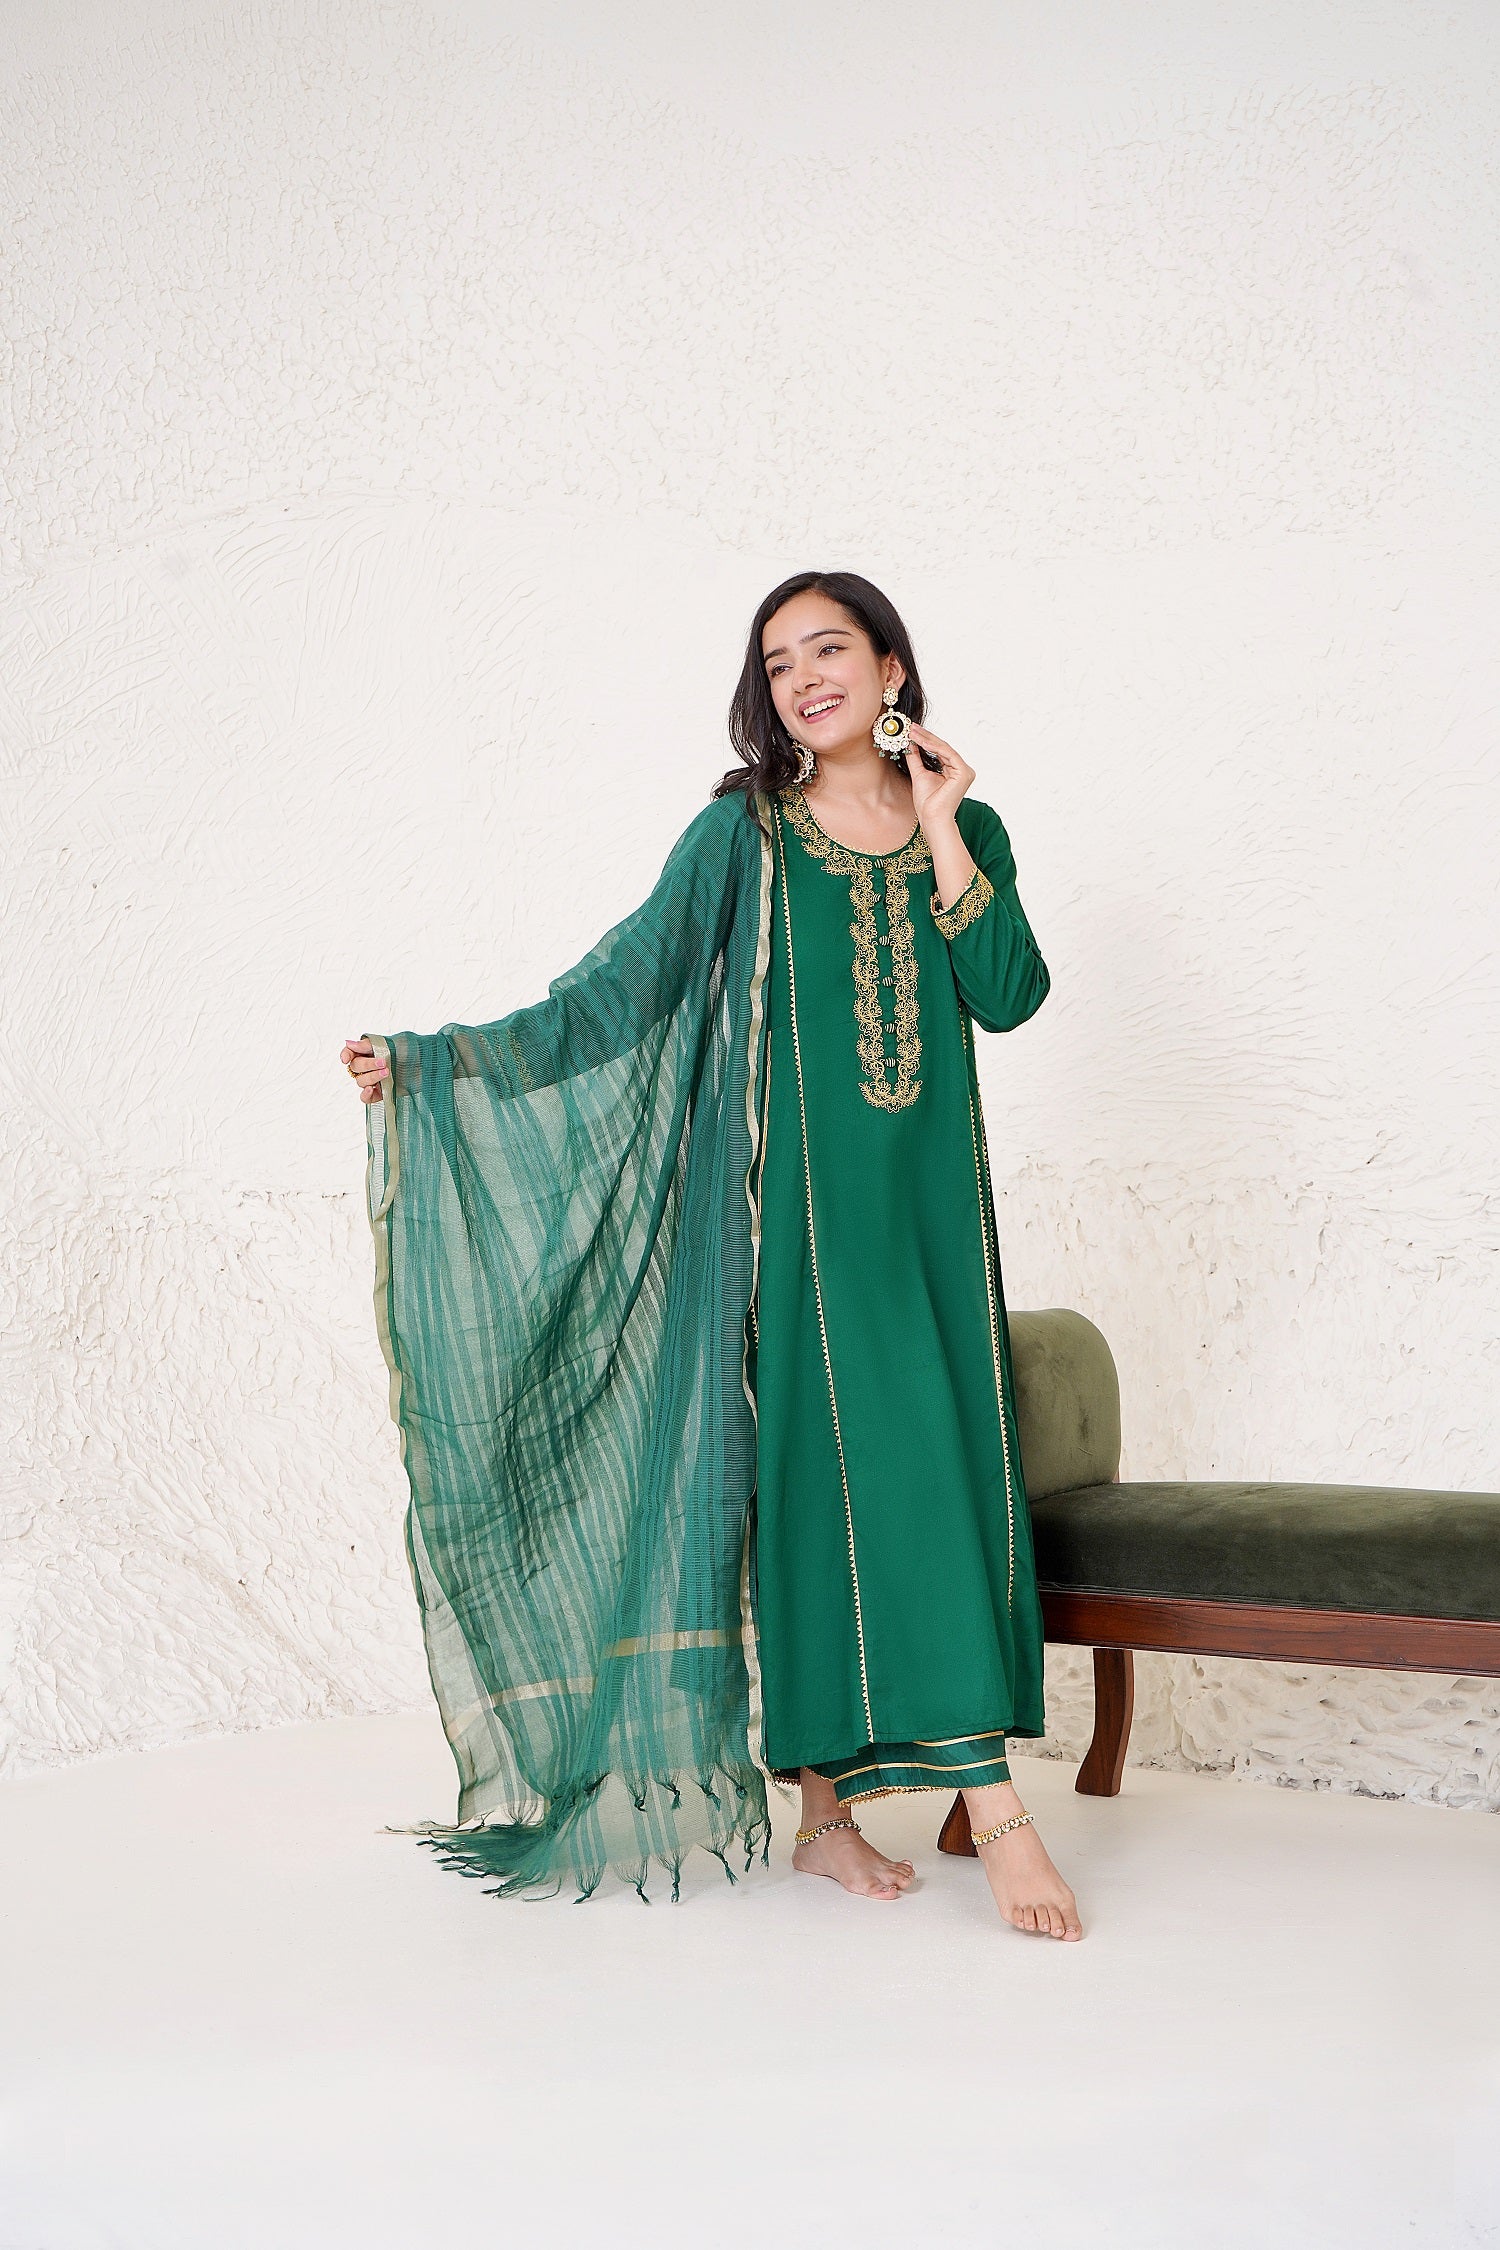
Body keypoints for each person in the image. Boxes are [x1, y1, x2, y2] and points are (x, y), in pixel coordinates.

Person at [342, 571, 1082, 1940]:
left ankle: (830, 1816)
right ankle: (990, 1807)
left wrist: (942, 826)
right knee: (853, 1479)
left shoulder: (966, 828)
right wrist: (444, 1065)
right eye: (779, 662)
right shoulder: (746, 833)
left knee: (913, 1476)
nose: (805, 679)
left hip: (932, 1220)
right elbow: (622, 988)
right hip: (799, 1224)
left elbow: (1011, 993)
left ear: (891, 664)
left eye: (829, 649)